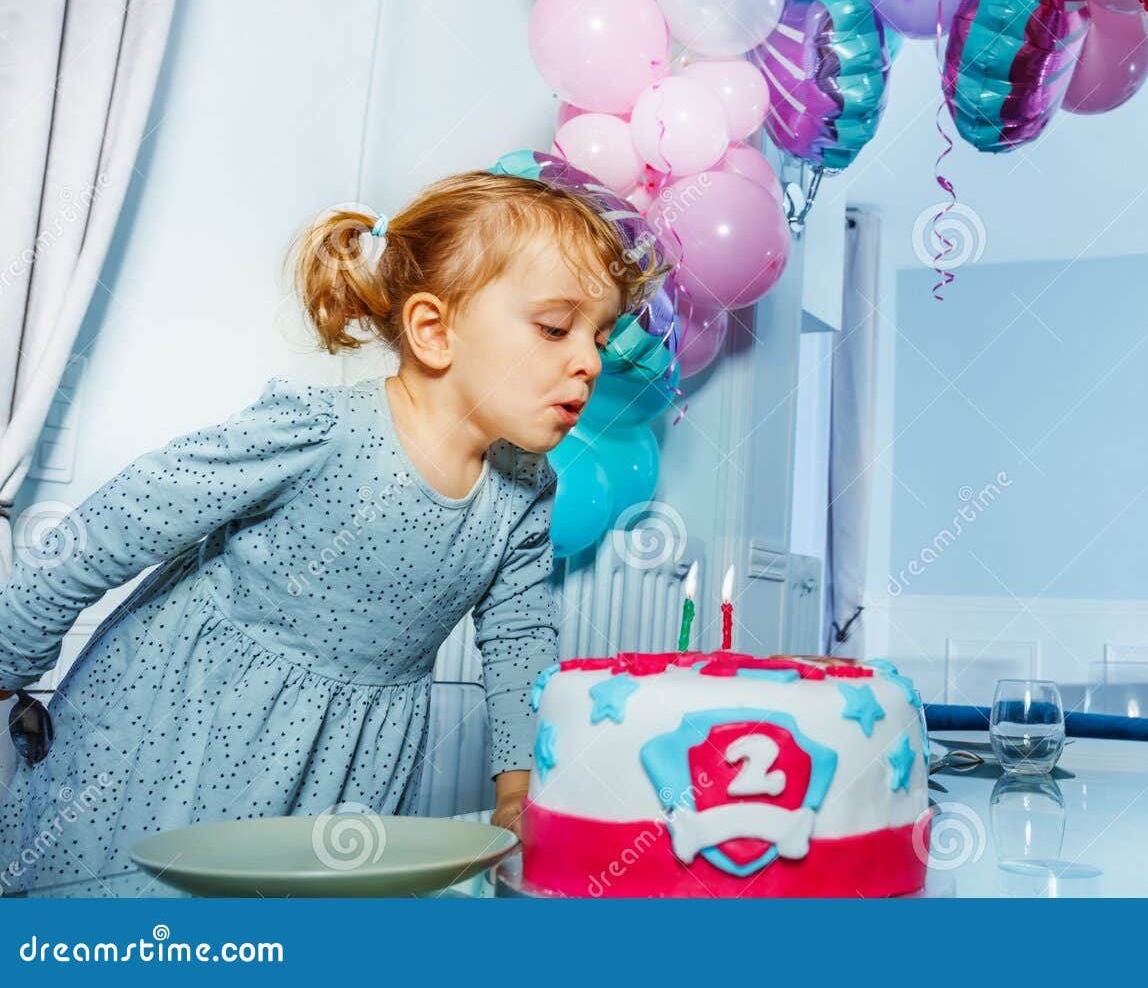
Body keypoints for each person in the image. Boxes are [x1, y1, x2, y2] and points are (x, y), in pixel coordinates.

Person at [0, 160, 666, 893]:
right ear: (434, 330)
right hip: (184, 724)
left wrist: (517, 789)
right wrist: (9, 656)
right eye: (555, 327)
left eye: (600, 337)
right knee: (128, 909)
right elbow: (125, 520)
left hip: (350, 764)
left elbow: (519, 646)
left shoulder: (527, 491)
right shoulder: (322, 430)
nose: (588, 362)